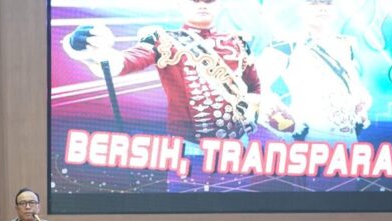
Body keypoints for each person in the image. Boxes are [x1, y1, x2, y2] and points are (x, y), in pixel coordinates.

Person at [62, 0, 261, 151]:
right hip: (189, 147)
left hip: (238, 143)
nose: (202, 4)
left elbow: (255, 88)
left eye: (209, 0)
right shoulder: (163, 40)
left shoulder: (238, 42)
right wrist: (88, 47)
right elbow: (124, 62)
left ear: (219, 4)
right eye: (194, 0)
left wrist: (251, 111)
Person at [256, 0, 371, 143]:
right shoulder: (287, 44)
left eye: (327, 3)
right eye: (314, 3)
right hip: (308, 137)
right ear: (301, 7)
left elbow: (354, 86)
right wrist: (280, 115)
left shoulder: (346, 44)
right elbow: (256, 84)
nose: (322, 8)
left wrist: (361, 107)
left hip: (348, 137)